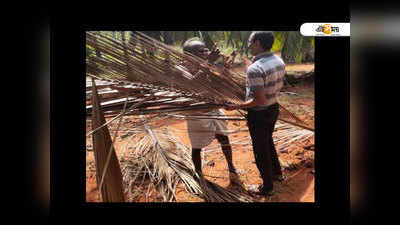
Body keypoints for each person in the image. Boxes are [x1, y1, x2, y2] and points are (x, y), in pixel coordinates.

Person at [225, 31, 286, 196]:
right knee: (268, 141)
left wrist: (236, 106)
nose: (249, 45)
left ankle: (267, 187)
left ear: (258, 43)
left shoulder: (255, 69)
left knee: (260, 149)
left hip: (259, 114)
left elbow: (259, 100)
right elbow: (265, 86)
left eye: (250, 42)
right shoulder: (278, 60)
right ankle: (277, 173)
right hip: (273, 109)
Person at [181, 37, 240, 183]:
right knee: (197, 146)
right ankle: (199, 175)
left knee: (224, 138)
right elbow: (193, 85)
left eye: (206, 50)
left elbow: (219, 85)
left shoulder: (206, 66)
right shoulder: (180, 69)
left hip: (212, 108)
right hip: (196, 112)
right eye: (202, 51)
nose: (206, 53)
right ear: (189, 54)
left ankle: (232, 168)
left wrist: (226, 68)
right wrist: (208, 64)